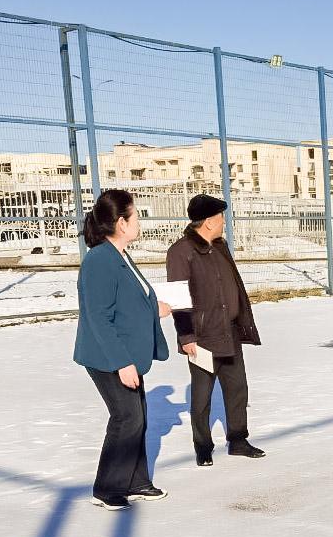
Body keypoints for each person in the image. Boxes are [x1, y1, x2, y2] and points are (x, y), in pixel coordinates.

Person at [73, 189, 171, 510]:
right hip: (108, 356)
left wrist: (154, 308)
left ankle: (136, 481)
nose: (139, 221)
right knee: (126, 417)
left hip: (126, 352)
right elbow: (98, 317)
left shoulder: (120, 255)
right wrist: (122, 363)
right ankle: (108, 488)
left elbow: (127, 299)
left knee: (138, 418)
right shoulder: (100, 260)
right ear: (121, 223)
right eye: (136, 215)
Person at [166, 195, 264, 466]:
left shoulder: (220, 246)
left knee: (237, 388)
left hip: (229, 331)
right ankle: (203, 446)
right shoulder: (181, 251)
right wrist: (186, 336)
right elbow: (177, 298)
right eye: (221, 218)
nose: (224, 222)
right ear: (209, 221)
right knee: (202, 395)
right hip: (202, 337)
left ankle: (238, 440)